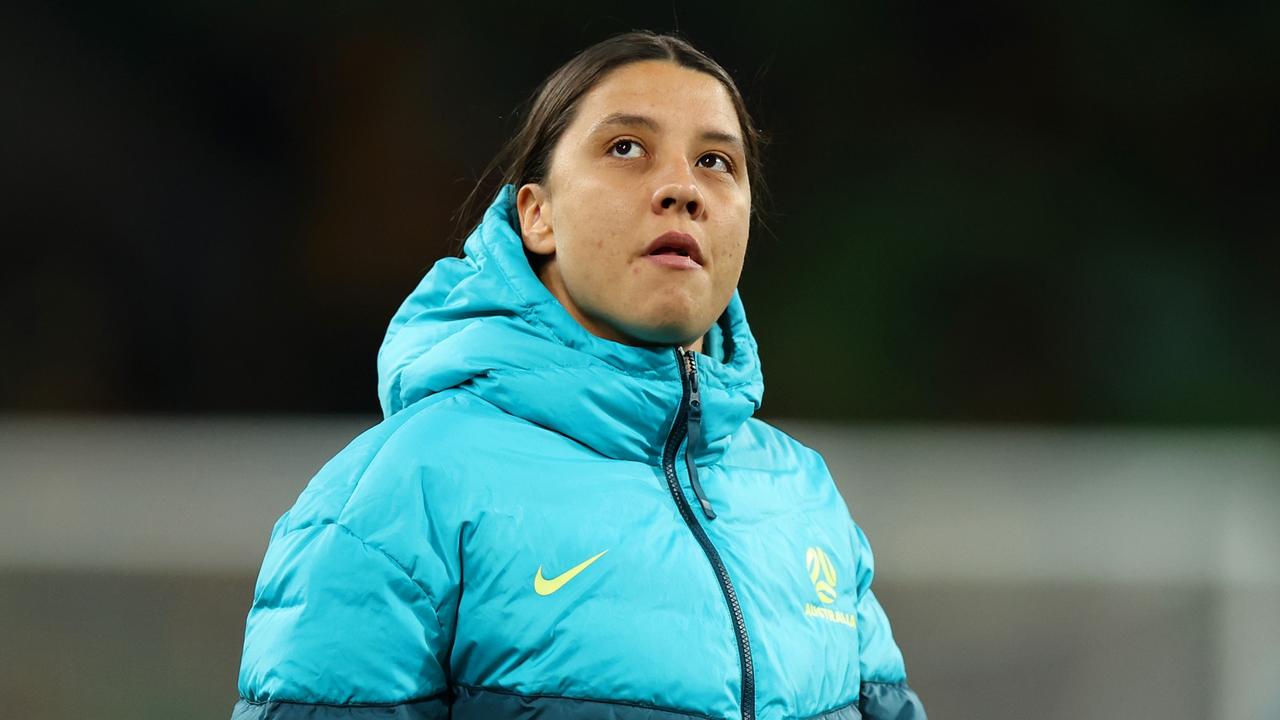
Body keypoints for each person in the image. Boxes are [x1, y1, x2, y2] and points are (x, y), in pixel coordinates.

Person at [232, 30, 925, 720]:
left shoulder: (801, 497)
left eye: (716, 161)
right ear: (537, 215)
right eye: (627, 148)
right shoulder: (399, 493)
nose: (683, 188)